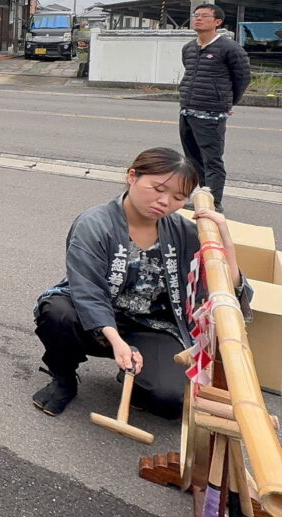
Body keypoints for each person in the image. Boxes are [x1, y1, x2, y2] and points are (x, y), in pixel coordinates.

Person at [32, 147, 252, 418]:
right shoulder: (94, 224)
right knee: (58, 312)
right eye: (158, 188)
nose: (165, 201)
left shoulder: (184, 232)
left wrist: (224, 238)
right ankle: (63, 378)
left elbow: (225, 289)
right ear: (132, 177)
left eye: (178, 197)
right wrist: (116, 341)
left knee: (172, 401)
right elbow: (87, 291)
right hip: (96, 317)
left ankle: (137, 382)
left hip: (153, 325)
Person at [178, 3, 251, 212]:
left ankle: (214, 203)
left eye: (203, 16)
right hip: (187, 110)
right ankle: (203, 198)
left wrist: (227, 103)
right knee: (193, 159)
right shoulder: (189, 48)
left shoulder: (230, 48)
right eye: (195, 15)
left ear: (217, 22)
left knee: (212, 161)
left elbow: (242, 79)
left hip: (211, 113)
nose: (197, 19)